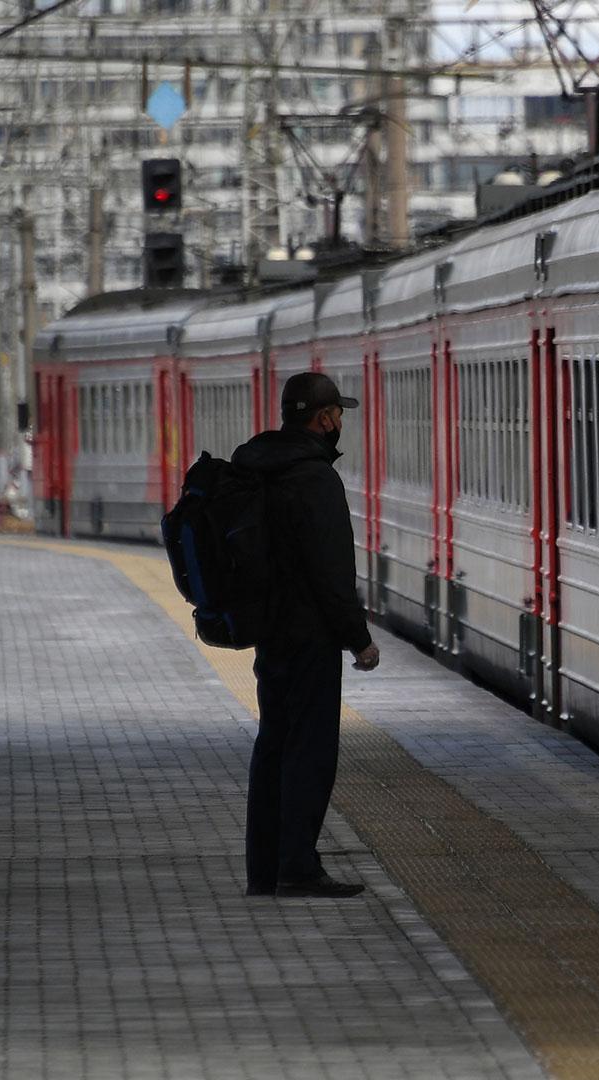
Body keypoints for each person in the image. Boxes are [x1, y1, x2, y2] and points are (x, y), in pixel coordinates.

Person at [231, 371, 381, 898]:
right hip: (310, 637)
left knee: (274, 742)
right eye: (338, 413)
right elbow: (331, 572)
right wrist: (358, 638)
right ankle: (297, 866)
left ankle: (264, 870)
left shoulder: (259, 467)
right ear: (324, 419)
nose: (341, 422)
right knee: (310, 750)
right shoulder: (315, 479)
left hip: (269, 633)